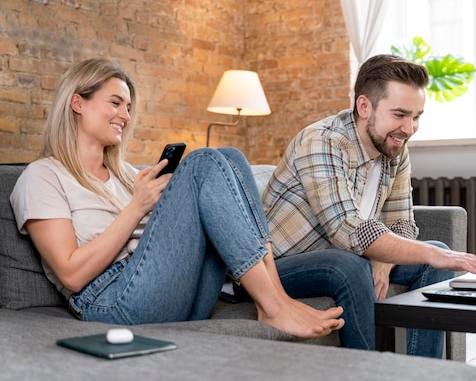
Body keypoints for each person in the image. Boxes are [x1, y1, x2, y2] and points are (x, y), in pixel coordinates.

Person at [9, 58, 344, 340]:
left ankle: (274, 298)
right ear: (78, 102)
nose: (125, 115)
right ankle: (274, 306)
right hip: (111, 302)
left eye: (127, 106)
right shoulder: (42, 176)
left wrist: (163, 203)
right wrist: (137, 206)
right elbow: (71, 274)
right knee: (202, 162)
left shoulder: (127, 174)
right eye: (115, 102)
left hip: (175, 292)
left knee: (230, 157)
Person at [263, 54, 476, 357]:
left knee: (434, 264)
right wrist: (433, 253)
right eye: (400, 115)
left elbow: (403, 223)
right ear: (365, 107)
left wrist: (385, 260)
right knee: (353, 264)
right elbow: (346, 229)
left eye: (416, 116)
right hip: (279, 267)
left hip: (346, 257)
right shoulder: (323, 142)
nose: (410, 128)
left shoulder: (395, 148)